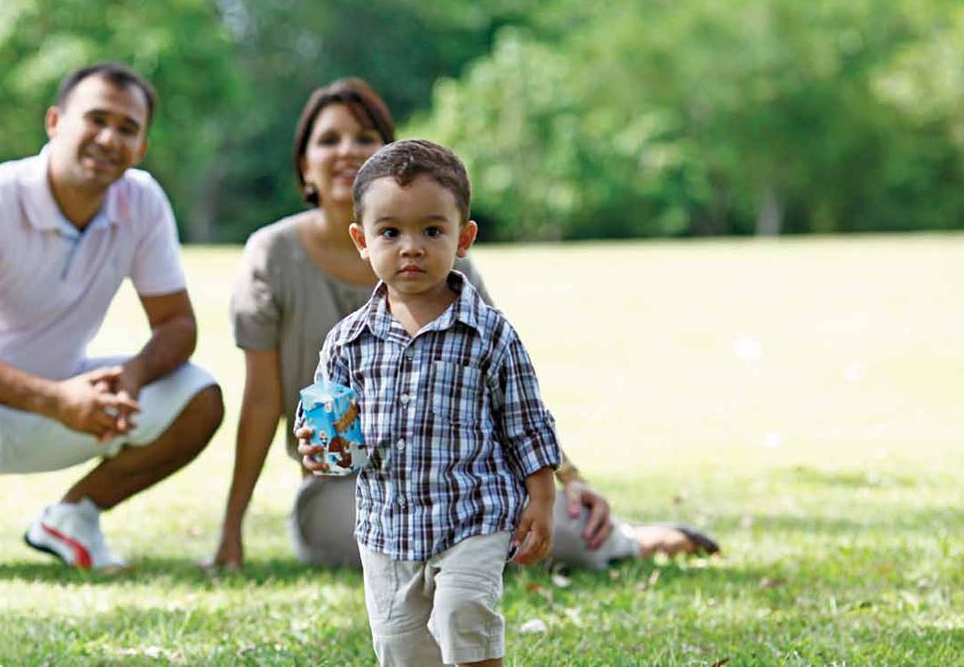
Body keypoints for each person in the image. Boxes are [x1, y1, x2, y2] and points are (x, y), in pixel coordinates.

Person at [212, 77, 718, 572]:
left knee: (551, 527)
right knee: (395, 539)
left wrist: (571, 478)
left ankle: (628, 543)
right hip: (348, 486)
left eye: (365, 138)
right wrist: (232, 528)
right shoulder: (272, 254)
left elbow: (503, 384)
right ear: (304, 166)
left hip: (459, 475)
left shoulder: (442, 254)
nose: (347, 151)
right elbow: (261, 399)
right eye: (329, 139)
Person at [0, 62, 224, 581]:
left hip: (68, 398)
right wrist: (57, 400)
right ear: (55, 122)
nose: (108, 138)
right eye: (95, 119)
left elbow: (178, 325)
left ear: (141, 146)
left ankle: (73, 517)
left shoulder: (142, 201)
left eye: (127, 128)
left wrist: (131, 379)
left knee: (199, 397)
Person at [299, 138, 561, 666]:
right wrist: (320, 450)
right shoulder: (346, 343)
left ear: (463, 237)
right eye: (390, 232)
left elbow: (526, 421)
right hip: (387, 525)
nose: (411, 247)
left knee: (466, 614)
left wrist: (542, 499)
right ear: (362, 241)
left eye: (432, 231)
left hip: (473, 514)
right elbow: (336, 443)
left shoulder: (488, 333)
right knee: (402, 649)